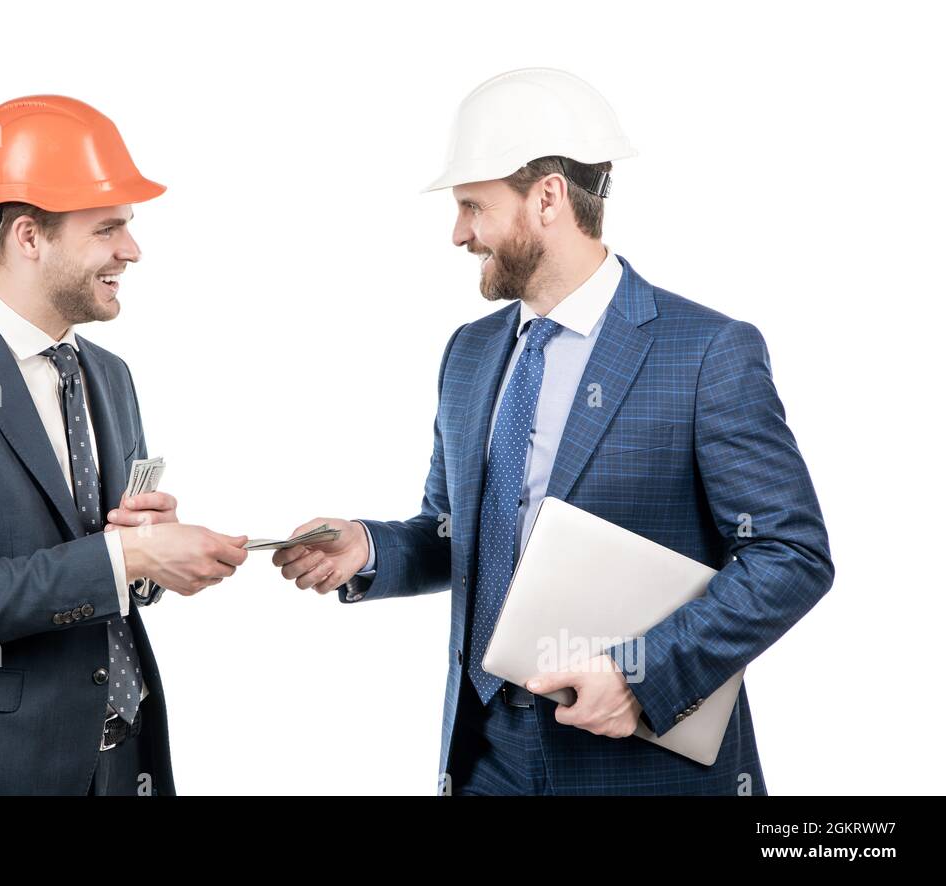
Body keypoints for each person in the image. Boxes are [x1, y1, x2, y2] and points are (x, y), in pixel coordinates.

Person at [271, 69, 833, 795]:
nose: (458, 234)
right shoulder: (469, 354)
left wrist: (640, 675)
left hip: (635, 760)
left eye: (473, 206)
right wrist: (370, 546)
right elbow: (455, 531)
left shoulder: (705, 353)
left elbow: (790, 555)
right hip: (483, 756)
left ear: (547, 198)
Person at [0, 95, 248, 795]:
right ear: (29, 236)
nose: (133, 249)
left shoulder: (108, 377)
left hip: (120, 763)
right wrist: (125, 556)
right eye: (109, 228)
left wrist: (150, 560)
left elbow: (102, 575)